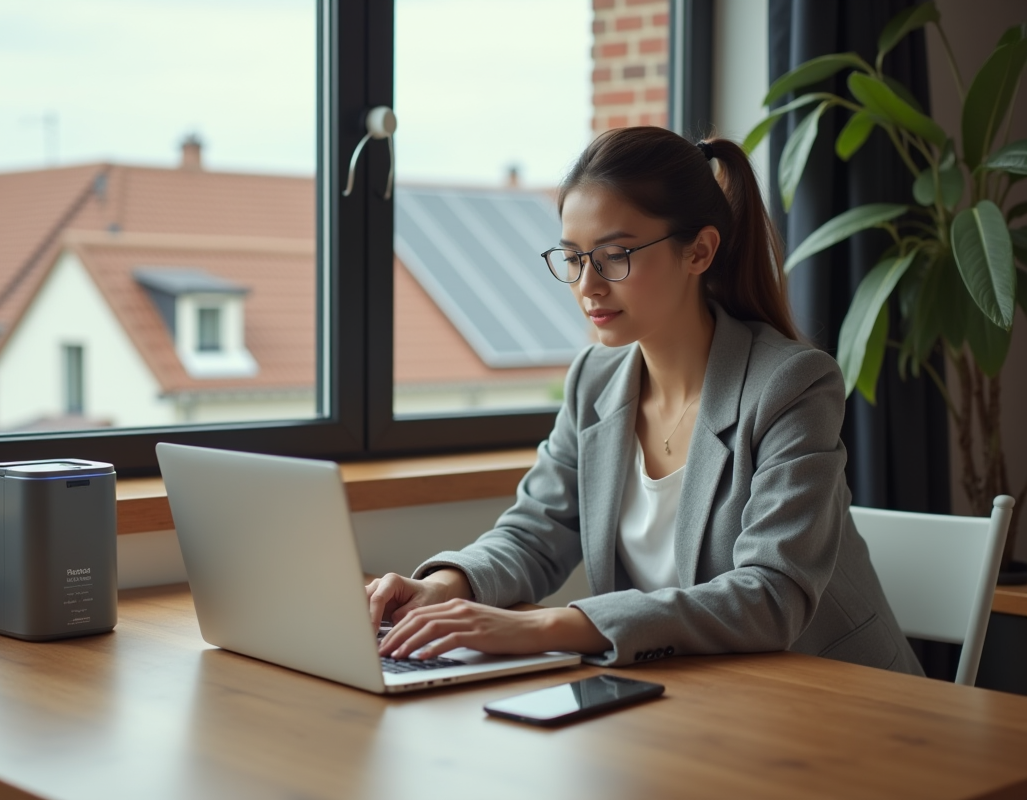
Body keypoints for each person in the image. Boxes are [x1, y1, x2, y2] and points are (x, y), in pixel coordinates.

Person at [367, 126, 923, 676]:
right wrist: (443, 586)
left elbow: (771, 594)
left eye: (614, 255)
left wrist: (543, 627)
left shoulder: (791, 385)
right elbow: (536, 532)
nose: (588, 285)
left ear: (699, 251)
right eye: (573, 258)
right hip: (691, 699)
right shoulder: (595, 378)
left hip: (835, 702)